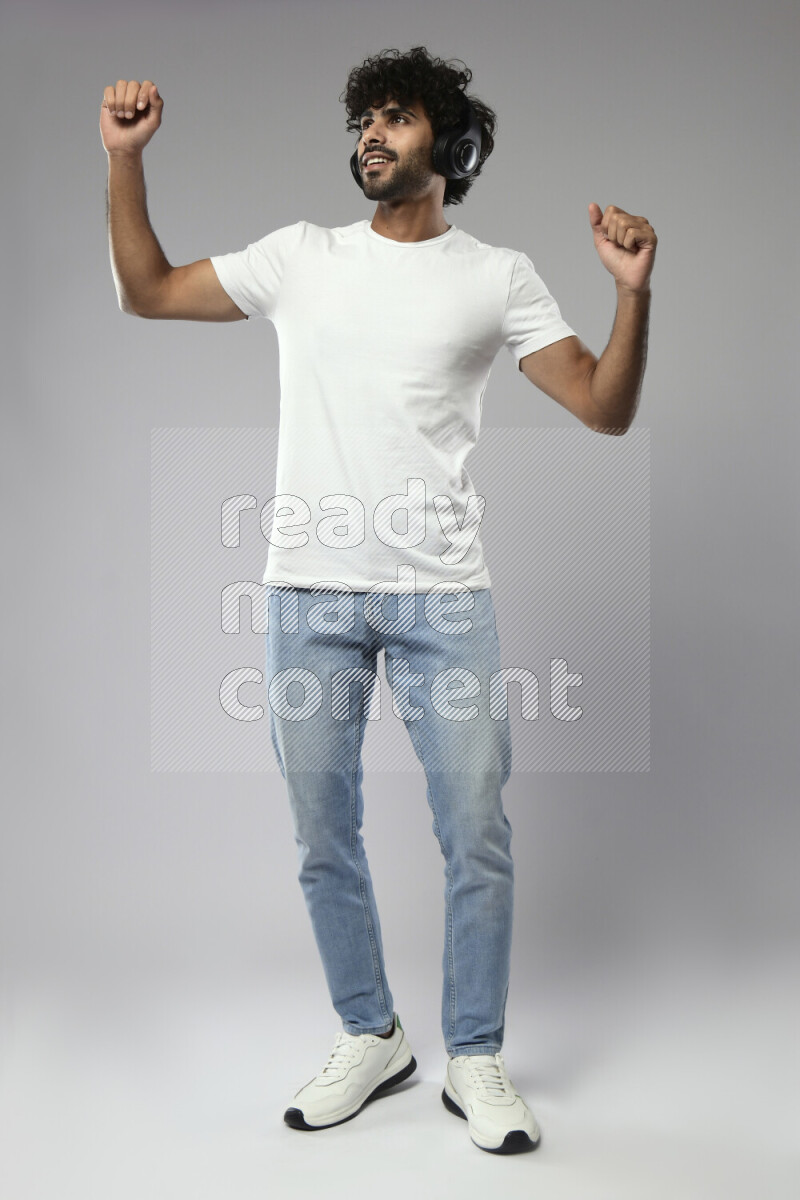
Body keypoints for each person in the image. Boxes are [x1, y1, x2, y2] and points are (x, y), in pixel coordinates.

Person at [100, 45, 656, 1155]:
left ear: (445, 146)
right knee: (322, 834)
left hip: (442, 602)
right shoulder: (299, 257)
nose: (369, 134)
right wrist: (123, 162)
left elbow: (603, 407)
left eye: (394, 118)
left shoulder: (495, 277)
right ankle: (372, 1034)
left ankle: (478, 1057)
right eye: (362, 118)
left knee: (475, 835)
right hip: (308, 597)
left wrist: (630, 296)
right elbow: (149, 292)